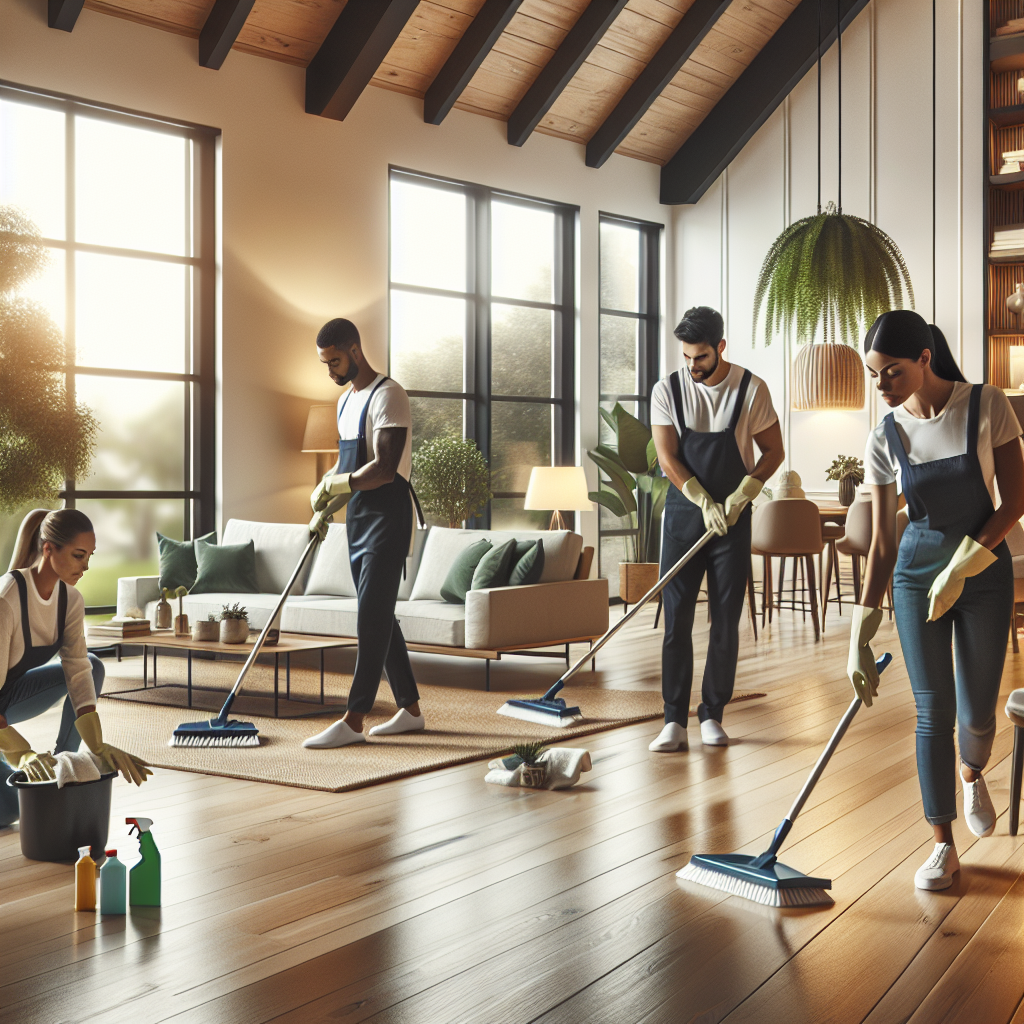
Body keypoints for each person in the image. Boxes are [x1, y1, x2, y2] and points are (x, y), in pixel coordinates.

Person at [851, 309, 1024, 891]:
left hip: (983, 573)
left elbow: (1014, 500)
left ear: (924, 358)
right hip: (914, 576)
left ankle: (972, 772)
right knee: (933, 711)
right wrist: (860, 630)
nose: (881, 385)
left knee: (976, 714)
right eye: (874, 374)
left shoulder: (986, 404)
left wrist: (961, 566)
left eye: (892, 372)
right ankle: (942, 845)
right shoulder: (885, 435)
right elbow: (882, 541)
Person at [649, 306, 784, 752]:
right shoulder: (667, 390)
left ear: (721, 347)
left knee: (725, 619)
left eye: (702, 357)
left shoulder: (751, 389)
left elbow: (773, 452)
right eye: (687, 356)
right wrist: (701, 500)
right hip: (684, 514)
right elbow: (667, 457)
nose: (693, 366)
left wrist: (743, 494)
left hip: (734, 517)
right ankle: (673, 720)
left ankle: (712, 714)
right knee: (677, 619)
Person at [303, 318, 423, 749]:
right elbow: (346, 466)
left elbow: (385, 468)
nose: (330, 371)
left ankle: (353, 720)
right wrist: (326, 506)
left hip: (388, 517)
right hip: (357, 518)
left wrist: (338, 485)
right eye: (325, 363)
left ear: (355, 350)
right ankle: (410, 711)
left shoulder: (389, 395)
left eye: (334, 361)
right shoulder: (344, 402)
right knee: (380, 614)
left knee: (371, 617)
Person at [0, 509, 151, 829]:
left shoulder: (70, 600)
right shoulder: (7, 599)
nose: (86, 566)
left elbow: (79, 671)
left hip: (8, 696)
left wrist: (97, 745)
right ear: (48, 549)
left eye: (90, 556)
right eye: (79, 555)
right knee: (9, 809)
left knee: (92, 666)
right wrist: (21, 753)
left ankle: (61, 767)